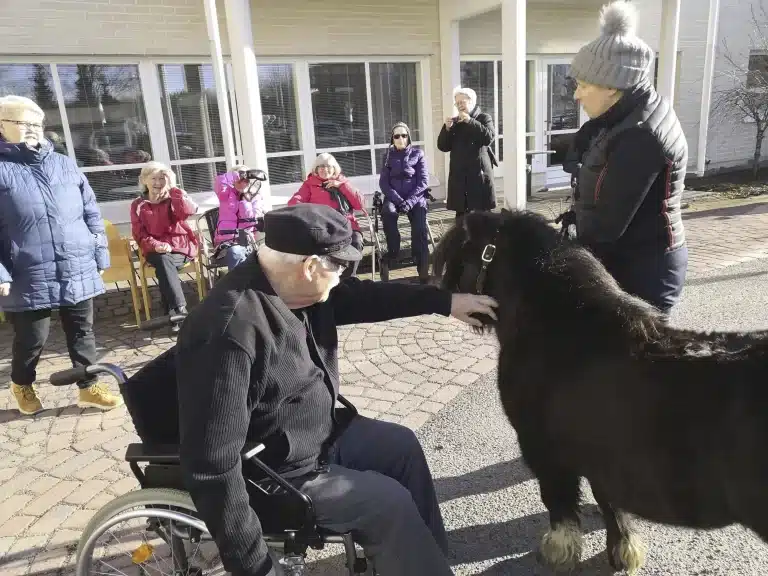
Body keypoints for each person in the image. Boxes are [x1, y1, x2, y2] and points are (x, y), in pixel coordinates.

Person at [174, 203, 498, 576]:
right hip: (277, 472)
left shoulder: (297, 288)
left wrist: (445, 302)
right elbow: (211, 464)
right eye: (340, 266)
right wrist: (255, 566)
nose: (345, 275)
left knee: (401, 446)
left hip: (320, 434)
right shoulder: (230, 330)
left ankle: (425, 560)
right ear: (310, 267)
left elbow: (369, 298)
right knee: (387, 504)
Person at [0, 95, 122, 415]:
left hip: (76, 262)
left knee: (83, 331)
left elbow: (91, 212)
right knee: (32, 338)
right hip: (26, 269)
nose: (31, 129)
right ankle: (22, 385)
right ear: (2, 127)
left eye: (36, 123)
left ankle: (89, 387)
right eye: (21, 122)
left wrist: (99, 254)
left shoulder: (64, 163)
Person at [565, 0, 688, 317]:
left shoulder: (639, 134)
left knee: (636, 363)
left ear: (612, 87)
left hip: (642, 272)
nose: (577, 95)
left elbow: (605, 228)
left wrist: (559, 259)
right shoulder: (623, 117)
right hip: (630, 259)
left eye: (583, 85)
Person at [130, 161, 199, 332]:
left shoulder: (174, 197)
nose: (158, 183)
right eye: (153, 178)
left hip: (180, 246)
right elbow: (139, 234)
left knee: (164, 267)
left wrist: (174, 187)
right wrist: (156, 244)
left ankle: (173, 314)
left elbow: (187, 212)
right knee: (163, 260)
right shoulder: (138, 204)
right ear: (144, 180)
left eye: (162, 178)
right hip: (155, 248)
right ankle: (181, 310)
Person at [287, 153, 365, 278]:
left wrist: (342, 186)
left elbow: (360, 204)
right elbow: (296, 201)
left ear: (335, 168)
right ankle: (327, 280)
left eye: (329, 166)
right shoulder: (309, 184)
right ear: (316, 169)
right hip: (322, 225)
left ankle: (348, 279)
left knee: (356, 241)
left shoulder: (343, 182)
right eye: (321, 166)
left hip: (345, 225)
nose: (325, 169)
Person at [378, 122, 431, 283]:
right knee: (387, 212)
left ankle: (421, 264)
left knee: (419, 228)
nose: (401, 138)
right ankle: (393, 252)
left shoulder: (418, 154)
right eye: (397, 136)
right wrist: (399, 200)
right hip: (394, 197)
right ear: (392, 139)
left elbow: (423, 182)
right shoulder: (387, 156)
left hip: (415, 197)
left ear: (408, 137)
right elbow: (384, 184)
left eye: (404, 135)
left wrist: (410, 201)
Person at [437, 86, 498, 221]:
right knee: (461, 220)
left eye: (462, 102)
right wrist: (446, 129)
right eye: (457, 103)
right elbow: (442, 146)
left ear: (471, 102)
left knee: (482, 218)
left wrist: (470, 121)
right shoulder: (455, 122)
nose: (459, 106)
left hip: (478, 176)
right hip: (460, 179)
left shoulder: (484, 118)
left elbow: (489, 138)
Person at [214, 166, 266, 271]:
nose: (243, 182)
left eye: (246, 180)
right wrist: (235, 174)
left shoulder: (255, 196)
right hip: (224, 244)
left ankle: (239, 285)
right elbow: (218, 183)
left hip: (246, 241)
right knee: (236, 253)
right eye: (240, 179)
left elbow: (252, 219)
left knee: (238, 253)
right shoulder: (225, 194)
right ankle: (240, 285)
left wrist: (245, 200)